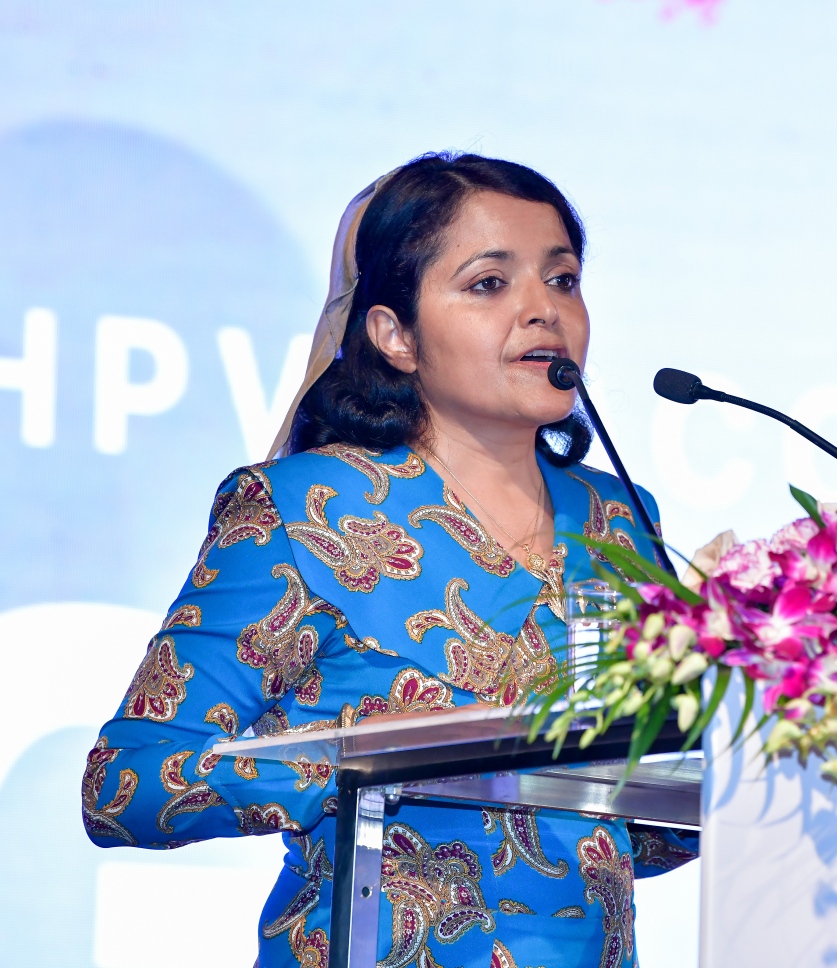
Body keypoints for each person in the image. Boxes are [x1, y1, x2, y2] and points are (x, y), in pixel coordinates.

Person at [82, 153, 697, 968]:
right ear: (395, 335)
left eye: (563, 280)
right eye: (489, 283)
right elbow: (124, 784)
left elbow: (635, 833)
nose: (543, 310)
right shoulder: (302, 509)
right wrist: (345, 768)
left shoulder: (619, 520)